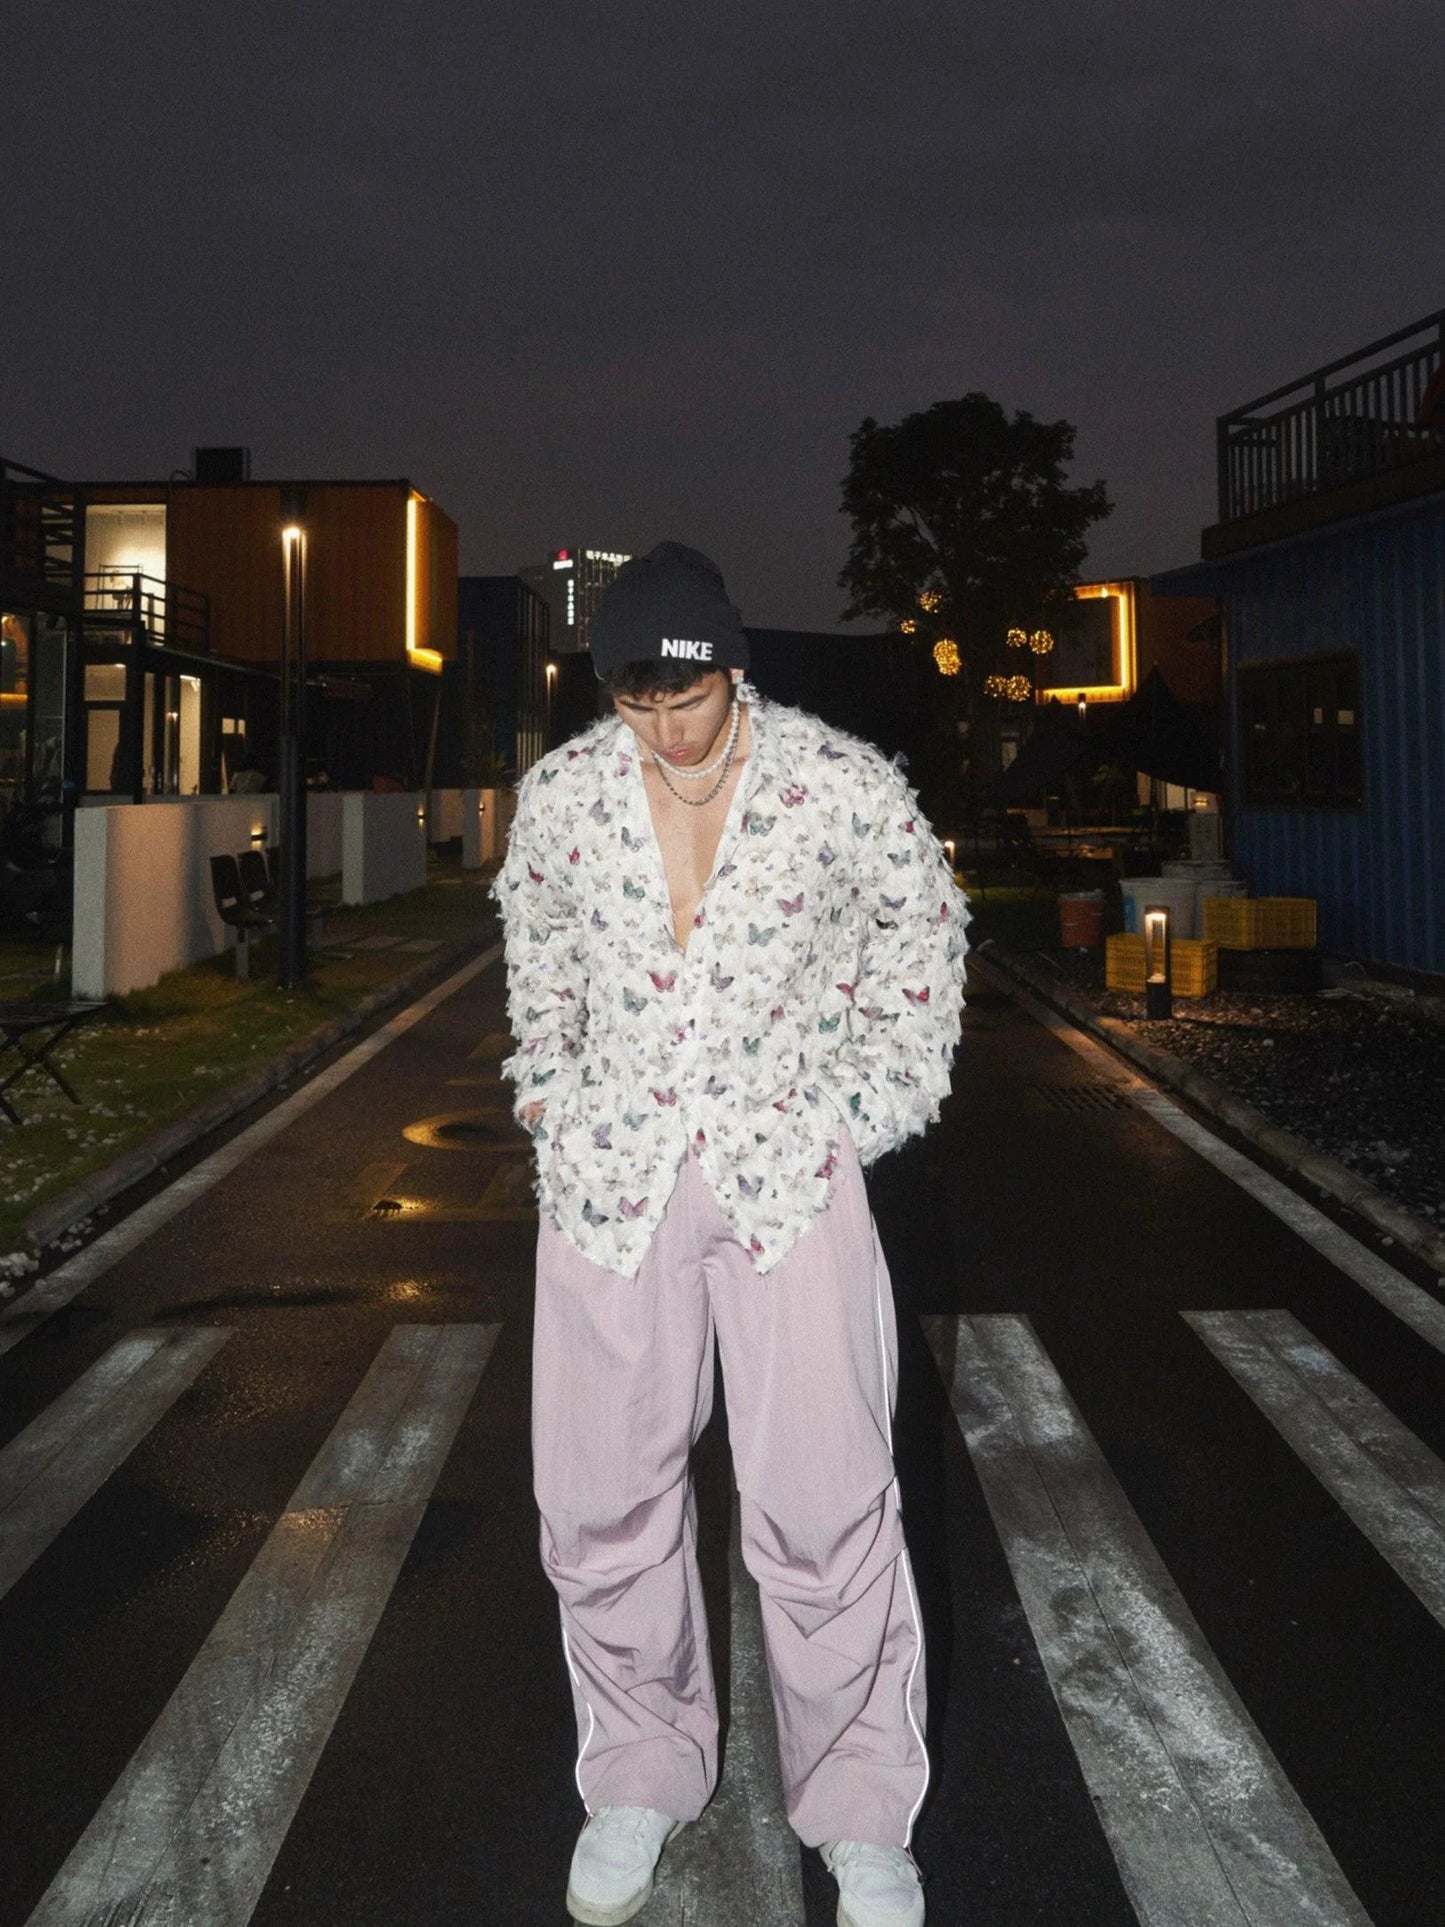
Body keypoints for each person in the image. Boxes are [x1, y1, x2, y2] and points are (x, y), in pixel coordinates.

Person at [496, 542, 968, 1927]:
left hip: (784, 1184)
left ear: (730, 668)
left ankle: (862, 1811)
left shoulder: (839, 786)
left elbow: (922, 941)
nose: (663, 730)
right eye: (636, 705)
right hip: (610, 1185)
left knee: (826, 1505)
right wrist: (549, 1094)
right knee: (601, 1506)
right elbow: (535, 951)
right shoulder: (567, 798)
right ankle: (638, 1774)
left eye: (684, 701)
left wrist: (857, 1117)